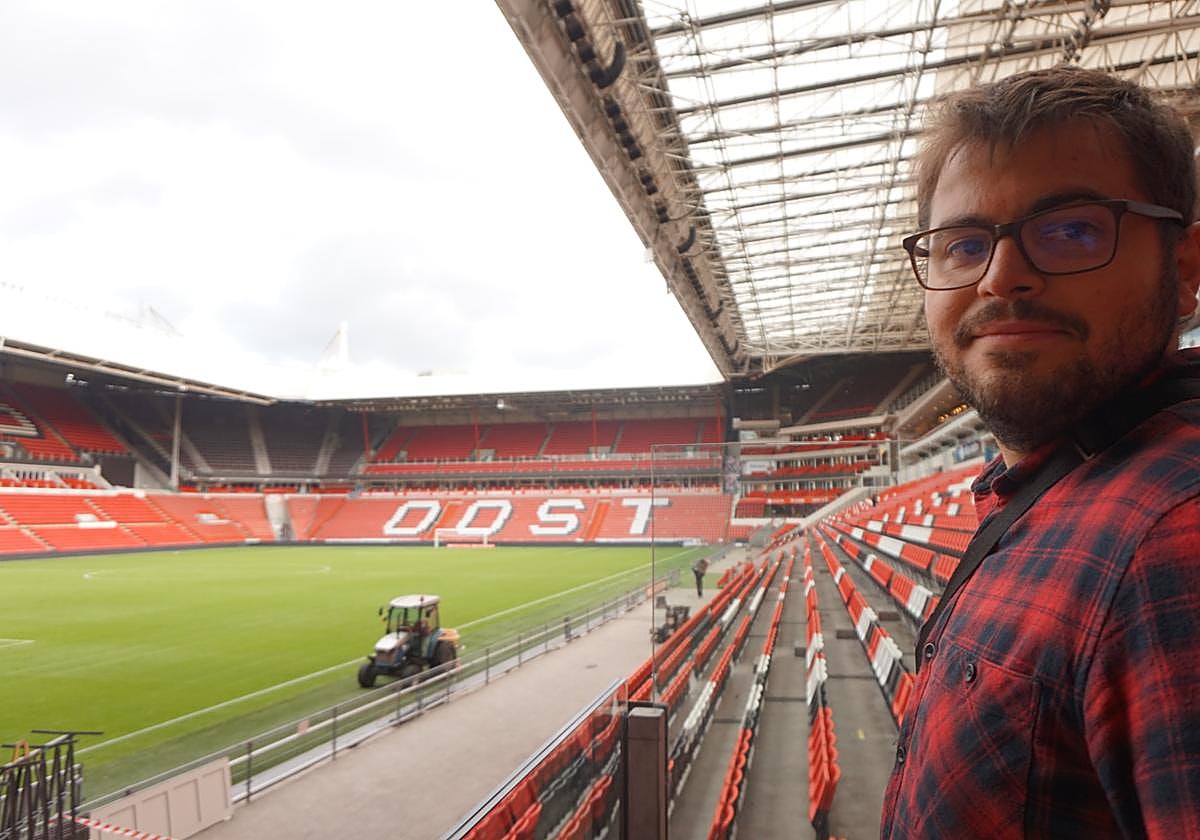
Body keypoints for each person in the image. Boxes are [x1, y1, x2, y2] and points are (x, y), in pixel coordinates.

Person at [881, 65, 1200, 839]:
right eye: (963, 243)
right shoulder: (1055, 484)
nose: (1001, 278)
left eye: (1071, 230)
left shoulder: (1174, 542)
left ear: (1185, 271)